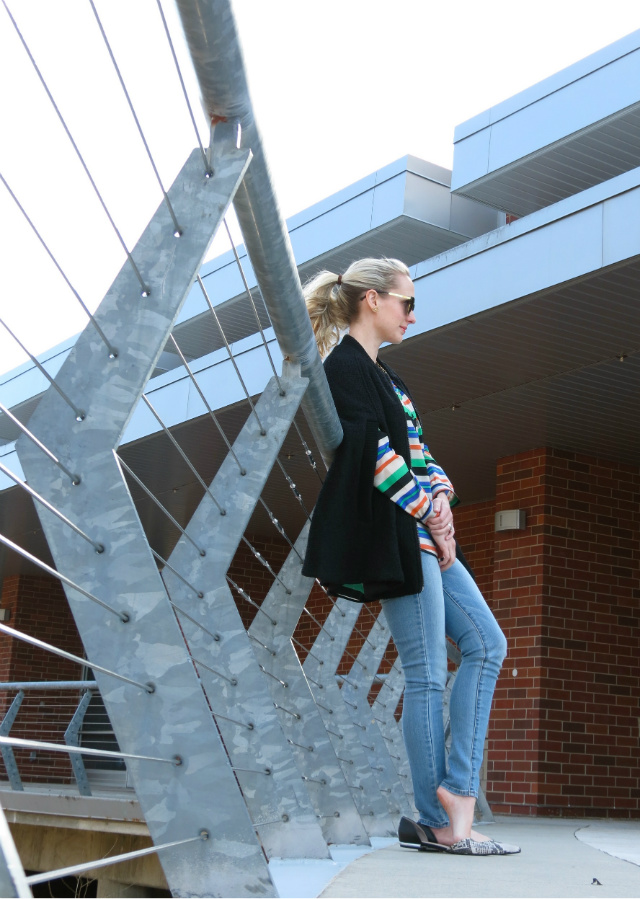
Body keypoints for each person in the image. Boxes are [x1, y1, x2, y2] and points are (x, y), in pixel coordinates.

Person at [302, 257, 520, 856]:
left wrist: (444, 499)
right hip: (398, 539)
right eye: (406, 303)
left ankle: (454, 791)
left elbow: (420, 452)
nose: (413, 315)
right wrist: (429, 512)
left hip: (428, 536)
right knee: (424, 674)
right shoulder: (342, 367)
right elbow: (372, 457)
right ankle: (438, 819)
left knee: (487, 644)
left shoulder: (392, 379)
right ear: (372, 299)